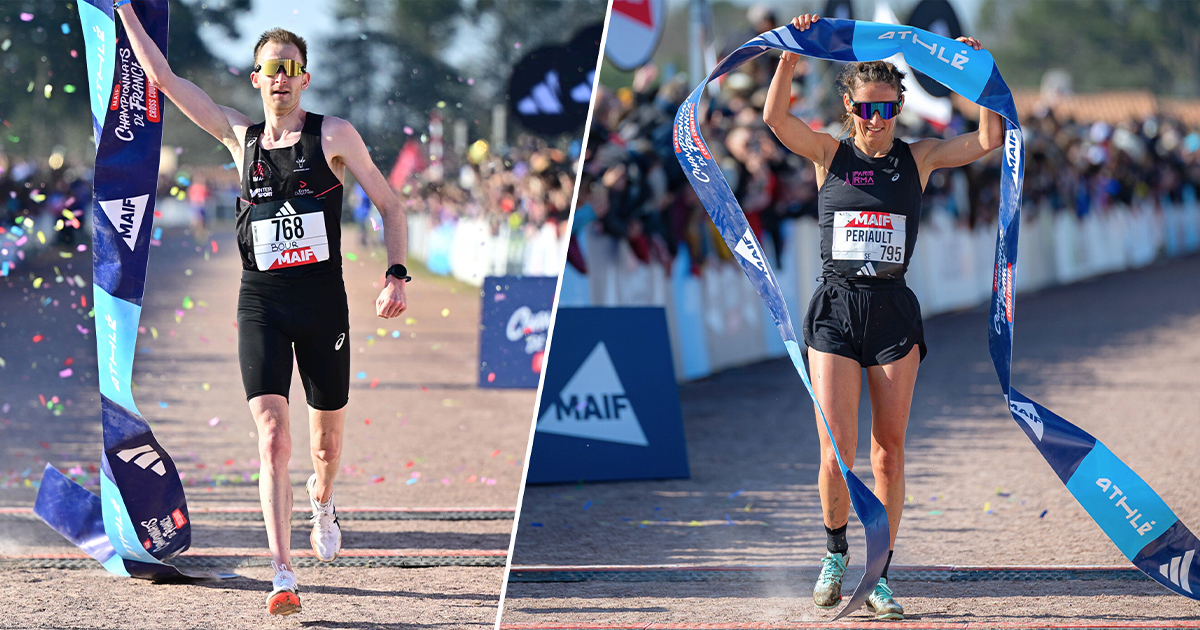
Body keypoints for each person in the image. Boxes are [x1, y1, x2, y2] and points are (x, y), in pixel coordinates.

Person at [116, 1, 411, 616]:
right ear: (256, 78)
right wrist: (123, 8)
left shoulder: (334, 135)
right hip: (262, 302)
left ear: (305, 78)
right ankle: (283, 572)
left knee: (324, 446)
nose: (280, 76)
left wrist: (395, 275)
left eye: (291, 67)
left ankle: (323, 500)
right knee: (273, 435)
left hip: (323, 304)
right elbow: (166, 81)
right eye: (270, 66)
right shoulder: (238, 137)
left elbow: (390, 205)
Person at [762, 14, 1001, 620]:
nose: (879, 121)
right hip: (836, 308)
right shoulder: (829, 154)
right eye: (867, 110)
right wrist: (788, 57)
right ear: (849, 107)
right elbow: (775, 121)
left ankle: (879, 573)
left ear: (899, 108)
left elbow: (986, 143)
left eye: (888, 109)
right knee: (835, 449)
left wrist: (978, 80)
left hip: (893, 309)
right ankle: (836, 553)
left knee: (888, 452)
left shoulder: (916, 158)